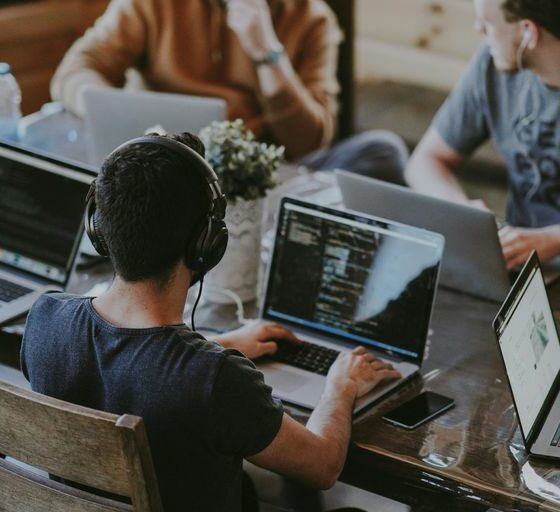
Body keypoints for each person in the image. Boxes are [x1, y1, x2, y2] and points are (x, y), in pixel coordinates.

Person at [20, 132, 400, 512]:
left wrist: (221, 344)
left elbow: (129, 366)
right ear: (206, 244)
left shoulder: (45, 319)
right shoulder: (216, 379)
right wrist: (341, 386)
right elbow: (322, 466)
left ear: (99, 227)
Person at [50, 0, 408, 181]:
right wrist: (111, 111)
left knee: (383, 151)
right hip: (160, 164)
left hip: (260, 177)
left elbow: (310, 141)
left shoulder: (313, 18)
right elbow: (75, 70)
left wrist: (267, 52)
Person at [405, 0, 560, 271]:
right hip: (517, 266)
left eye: (487, 22)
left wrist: (551, 240)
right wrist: (462, 210)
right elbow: (426, 161)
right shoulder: (492, 63)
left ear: (527, 33)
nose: (478, 29)